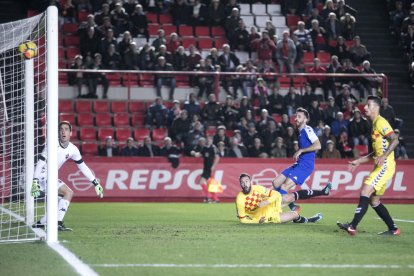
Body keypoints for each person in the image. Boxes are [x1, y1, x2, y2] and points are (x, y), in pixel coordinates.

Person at [337, 96, 400, 236]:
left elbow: (395, 140)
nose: (364, 108)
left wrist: (384, 156)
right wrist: (359, 161)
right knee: (374, 200)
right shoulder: (374, 124)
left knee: (365, 192)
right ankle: (393, 229)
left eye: (368, 105)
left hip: (385, 165)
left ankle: (352, 226)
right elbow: (375, 153)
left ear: (376, 107)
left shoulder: (381, 122)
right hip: (383, 165)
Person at [31, 121, 104, 231]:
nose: (63, 131)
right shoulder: (51, 144)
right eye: (61, 129)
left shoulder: (73, 149)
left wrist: (95, 183)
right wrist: (35, 181)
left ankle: (40, 223)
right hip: (42, 175)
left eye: (66, 129)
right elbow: (41, 162)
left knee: (61, 203)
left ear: (71, 133)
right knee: (68, 193)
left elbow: (82, 167)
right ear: (58, 133)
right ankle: (58, 223)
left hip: (51, 177)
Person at [271, 107, 324, 211]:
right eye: (296, 116)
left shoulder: (307, 129)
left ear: (305, 119)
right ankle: (292, 206)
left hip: (305, 165)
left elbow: (318, 145)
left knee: (285, 186)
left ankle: (275, 211)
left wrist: (301, 150)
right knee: (276, 183)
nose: (296, 118)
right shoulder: (299, 131)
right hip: (299, 163)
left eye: (299, 117)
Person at [236, 173, 325, 224]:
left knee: (289, 197)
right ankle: (309, 220)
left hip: (270, 206)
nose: (244, 184)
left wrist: (267, 201)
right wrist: (257, 221)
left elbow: (275, 194)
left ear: (250, 182)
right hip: (265, 217)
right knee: (294, 215)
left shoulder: (257, 188)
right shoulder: (240, 199)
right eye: (242, 182)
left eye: (246, 181)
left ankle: (322, 192)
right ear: (240, 184)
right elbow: (243, 219)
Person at [191, 137, 220, 203]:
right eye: (208, 139)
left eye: (210, 139)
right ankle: (215, 199)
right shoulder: (204, 148)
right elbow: (199, 155)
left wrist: (213, 166)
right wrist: (194, 153)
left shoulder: (213, 147)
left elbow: (217, 157)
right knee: (210, 185)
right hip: (206, 168)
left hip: (210, 168)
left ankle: (209, 197)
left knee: (203, 182)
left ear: (212, 140)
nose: (208, 141)